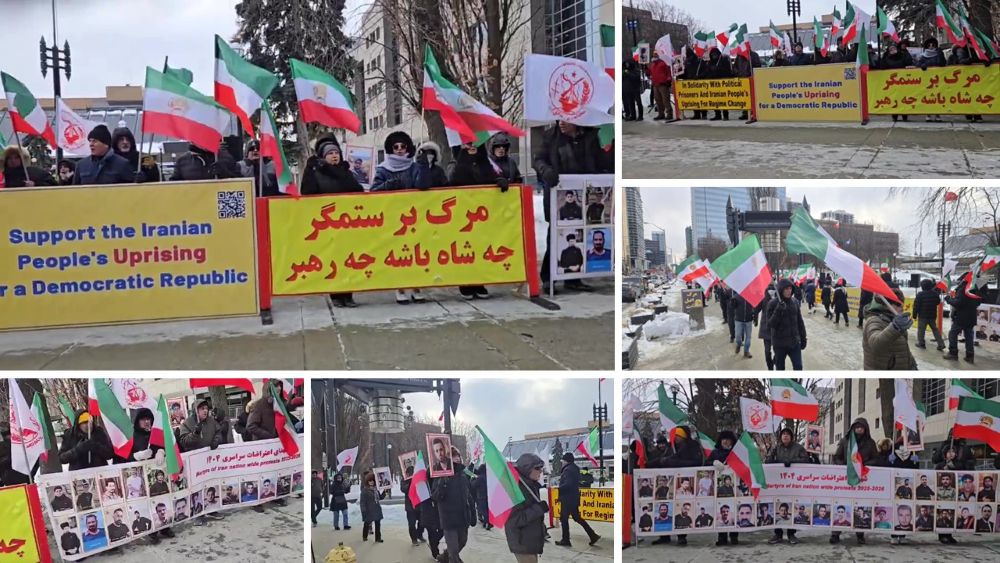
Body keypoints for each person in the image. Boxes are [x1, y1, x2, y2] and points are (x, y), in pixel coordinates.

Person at [532, 121, 612, 293]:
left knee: (580, 236)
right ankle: (549, 278)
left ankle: (573, 278)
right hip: (556, 195)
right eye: (559, 119)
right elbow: (538, 160)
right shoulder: (551, 136)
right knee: (555, 236)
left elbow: (600, 162)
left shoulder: (591, 136)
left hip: (584, 195)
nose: (561, 123)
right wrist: (545, 171)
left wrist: (609, 153)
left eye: (566, 120)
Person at [301, 135, 365, 307]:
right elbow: (307, 193)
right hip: (327, 225)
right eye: (330, 153)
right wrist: (309, 170)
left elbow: (358, 192)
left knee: (349, 259)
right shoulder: (316, 173)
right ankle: (336, 295)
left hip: (347, 224)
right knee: (333, 260)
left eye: (336, 152)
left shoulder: (347, 172)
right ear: (323, 156)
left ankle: (348, 294)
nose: (334, 156)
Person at [832, 419, 876, 544]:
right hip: (845, 480)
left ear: (865, 429)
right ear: (852, 428)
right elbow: (836, 457)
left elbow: (876, 459)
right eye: (857, 427)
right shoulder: (845, 441)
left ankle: (860, 534)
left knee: (859, 506)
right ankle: (835, 533)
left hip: (863, 480)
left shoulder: (870, 443)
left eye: (862, 427)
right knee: (842, 505)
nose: (859, 429)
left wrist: (863, 465)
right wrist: (846, 467)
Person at [766, 427, 808, 544]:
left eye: (787, 434)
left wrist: (792, 462)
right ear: (781, 437)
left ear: (791, 437)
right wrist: (773, 459)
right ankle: (777, 534)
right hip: (779, 483)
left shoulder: (798, 448)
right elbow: (768, 461)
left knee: (792, 504)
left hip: (793, 483)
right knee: (777, 505)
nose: (785, 436)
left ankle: (791, 534)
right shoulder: (776, 448)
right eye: (783, 434)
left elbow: (806, 460)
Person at [505, 453, 548, 563]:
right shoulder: (515, 489)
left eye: (541, 468)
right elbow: (514, 519)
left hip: (531, 540)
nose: (541, 471)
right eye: (537, 468)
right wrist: (538, 509)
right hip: (522, 542)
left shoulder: (531, 485)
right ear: (527, 468)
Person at [433, 446, 473, 563]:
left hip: (462, 517)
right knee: (454, 551)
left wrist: (472, 513)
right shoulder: (441, 474)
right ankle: (451, 558)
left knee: (462, 542)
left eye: (458, 456)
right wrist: (443, 483)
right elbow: (435, 496)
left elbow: (468, 495)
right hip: (448, 519)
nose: (457, 459)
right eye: (454, 456)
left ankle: (444, 556)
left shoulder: (463, 474)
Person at [861, 287, 916, 370]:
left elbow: (903, 348)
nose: (902, 307)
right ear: (887, 305)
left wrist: (911, 364)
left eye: (902, 304)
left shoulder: (894, 319)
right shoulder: (874, 320)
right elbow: (875, 343)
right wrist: (895, 328)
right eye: (897, 304)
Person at [554, 452, 600, 548]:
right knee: (577, 517)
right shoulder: (575, 468)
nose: (562, 462)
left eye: (563, 460)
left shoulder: (567, 470)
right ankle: (593, 535)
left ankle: (565, 539)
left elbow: (568, 484)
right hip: (574, 497)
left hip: (567, 499)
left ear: (566, 461)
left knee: (564, 518)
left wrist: (559, 488)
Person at [707, 430, 739, 546]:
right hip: (719, 488)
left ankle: (734, 536)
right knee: (720, 510)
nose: (725, 441)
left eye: (728, 439)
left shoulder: (736, 453)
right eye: (723, 439)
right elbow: (706, 464)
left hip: (734, 487)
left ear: (732, 441)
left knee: (733, 510)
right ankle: (722, 537)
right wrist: (713, 463)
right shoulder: (715, 452)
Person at [767, 278, 807, 370]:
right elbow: (770, 324)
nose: (789, 291)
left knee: (798, 367)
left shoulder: (795, 302)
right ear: (781, 290)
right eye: (786, 289)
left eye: (790, 289)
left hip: (794, 342)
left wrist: (803, 338)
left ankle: (795, 383)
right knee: (780, 369)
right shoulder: (772, 304)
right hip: (779, 344)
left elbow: (800, 322)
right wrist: (778, 310)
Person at [944, 274, 980, 363]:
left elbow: (958, 303)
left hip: (961, 317)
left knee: (952, 333)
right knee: (969, 336)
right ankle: (970, 356)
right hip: (971, 316)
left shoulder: (964, 289)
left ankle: (953, 353)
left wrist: (948, 299)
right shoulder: (975, 288)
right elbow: (978, 302)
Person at [915, 38, 947, 122]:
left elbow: (942, 63)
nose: (931, 46)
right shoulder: (923, 56)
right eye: (929, 45)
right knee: (927, 97)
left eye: (933, 45)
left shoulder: (938, 54)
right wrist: (923, 65)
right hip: (927, 80)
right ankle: (928, 114)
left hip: (938, 79)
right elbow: (918, 64)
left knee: (938, 96)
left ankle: (938, 114)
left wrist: (940, 53)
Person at [880, 43, 913, 122]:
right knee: (893, 98)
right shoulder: (887, 58)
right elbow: (882, 66)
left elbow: (909, 61)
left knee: (903, 98)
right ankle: (894, 115)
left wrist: (905, 51)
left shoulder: (902, 55)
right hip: (892, 83)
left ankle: (905, 115)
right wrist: (884, 56)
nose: (893, 50)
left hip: (902, 82)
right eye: (890, 49)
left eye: (894, 48)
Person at [911, 279, 945, 350]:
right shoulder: (935, 293)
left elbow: (916, 305)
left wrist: (914, 315)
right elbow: (938, 302)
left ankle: (921, 343)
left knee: (921, 330)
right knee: (935, 329)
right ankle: (941, 344)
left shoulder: (920, 294)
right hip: (932, 315)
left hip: (922, 316)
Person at [401, 466, 426, 544]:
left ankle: (419, 534)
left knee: (422, 522)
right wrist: (411, 483)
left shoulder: (419, 477)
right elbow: (403, 489)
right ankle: (414, 539)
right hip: (410, 506)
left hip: (419, 505)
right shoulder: (405, 479)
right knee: (412, 524)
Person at [755, 283, 777, 369]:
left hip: (776, 329)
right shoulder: (763, 298)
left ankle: (774, 361)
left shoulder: (778, 297)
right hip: (766, 327)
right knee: (767, 351)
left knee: (778, 351)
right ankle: (770, 367)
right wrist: (755, 318)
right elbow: (757, 309)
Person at [359, 471, 385, 542]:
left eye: (373, 480)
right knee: (367, 523)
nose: (372, 482)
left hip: (376, 509)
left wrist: (385, 491)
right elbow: (362, 502)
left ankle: (378, 538)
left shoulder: (376, 489)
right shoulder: (365, 490)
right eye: (370, 481)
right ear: (367, 481)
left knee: (378, 524)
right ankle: (364, 536)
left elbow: (380, 497)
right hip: (369, 510)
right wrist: (363, 510)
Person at [647, 51, 673, 120]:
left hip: (663, 84)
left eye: (655, 55)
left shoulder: (663, 63)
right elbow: (650, 73)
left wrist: (668, 79)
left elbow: (668, 72)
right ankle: (661, 113)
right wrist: (646, 69)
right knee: (658, 100)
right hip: (655, 84)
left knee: (665, 99)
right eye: (653, 55)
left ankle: (669, 113)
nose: (654, 56)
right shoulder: (652, 65)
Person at [729, 290, 755, 358]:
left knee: (748, 337)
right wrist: (732, 301)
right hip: (738, 320)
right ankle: (738, 344)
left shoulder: (751, 295)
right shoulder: (737, 296)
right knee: (738, 336)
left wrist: (755, 316)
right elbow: (732, 307)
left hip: (748, 319)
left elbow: (755, 306)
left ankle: (746, 351)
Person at [472, 464, 490, 530]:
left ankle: (486, 523)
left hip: (481, 496)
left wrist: (473, 479)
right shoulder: (488, 476)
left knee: (483, 510)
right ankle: (488, 522)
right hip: (488, 496)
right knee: (487, 510)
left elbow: (474, 485)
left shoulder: (480, 477)